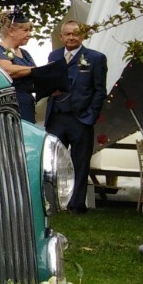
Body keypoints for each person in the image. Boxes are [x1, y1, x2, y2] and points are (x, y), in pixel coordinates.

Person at [46, 20, 109, 213]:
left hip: (81, 119)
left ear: (83, 36)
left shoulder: (95, 58)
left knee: (79, 162)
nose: (71, 37)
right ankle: (55, 202)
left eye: (76, 34)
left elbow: (100, 90)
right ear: (61, 36)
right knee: (54, 162)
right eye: (68, 34)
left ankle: (77, 205)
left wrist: (91, 114)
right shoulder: (54, 56)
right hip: (57, 117)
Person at [0, 8, 38, 121]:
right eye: (25, 30)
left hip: (27, 103)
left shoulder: (25, 53)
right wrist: (38, 69)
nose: (29, 35)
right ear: (11, 31)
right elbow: (8, 71)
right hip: (9, 104)